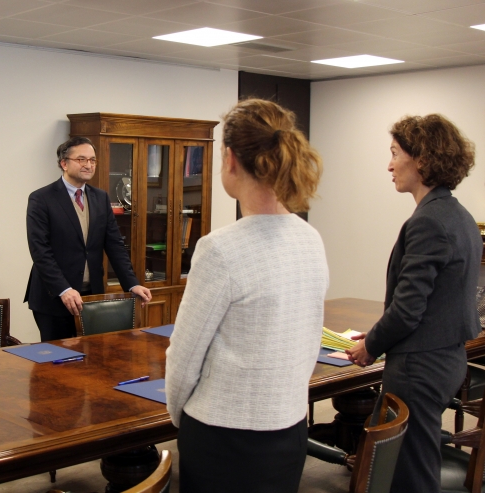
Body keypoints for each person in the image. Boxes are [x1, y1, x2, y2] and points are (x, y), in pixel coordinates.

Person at [165, 99, 329, 493]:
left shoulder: (220, 248)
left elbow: (184, 358)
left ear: (230, 159)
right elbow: (308, 339)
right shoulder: (311, 239)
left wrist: (178, 416)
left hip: (223, 436)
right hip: (288, 428)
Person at [347, 114, 482, 493]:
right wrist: (376, 334)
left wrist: (370, 347)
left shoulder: (429, 222)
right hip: (445, 359)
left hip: (420, 366)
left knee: (410, 475)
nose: (389, 165)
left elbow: (408, 309)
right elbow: (434, 301)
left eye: (395, 154)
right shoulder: (458, 215)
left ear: (421, 159)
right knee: (400, 463)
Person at [24, 136, 151, 341]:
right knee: (58, 363)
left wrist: (131, 284)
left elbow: (115, 245)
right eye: (81, 159)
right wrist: (63, 289)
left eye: (92, 160)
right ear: (64, 163)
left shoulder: (100, 198)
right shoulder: (41, 198)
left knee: (93, 358)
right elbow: (40, 251)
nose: (88, 165)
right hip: (54, 297)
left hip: (92, 295)